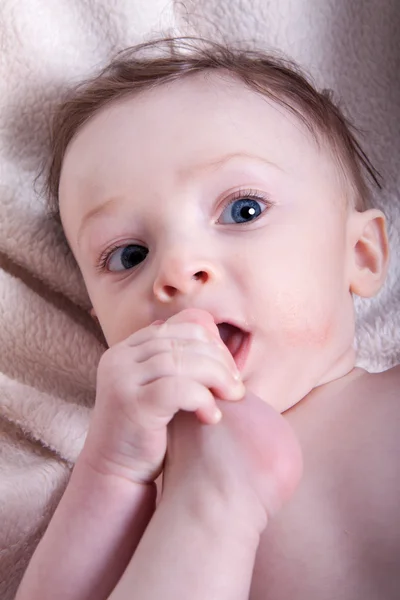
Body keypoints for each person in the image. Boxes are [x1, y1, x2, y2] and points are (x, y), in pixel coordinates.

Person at [16, 36, 400, 600]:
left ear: (360, 256)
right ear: (100, 319)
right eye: (129, 255)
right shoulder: (144, 486)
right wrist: (112, 467)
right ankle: (216, 507)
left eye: (243, 211)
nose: (176, 268)